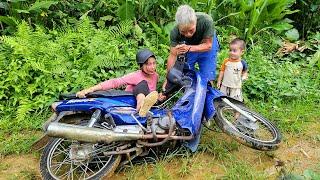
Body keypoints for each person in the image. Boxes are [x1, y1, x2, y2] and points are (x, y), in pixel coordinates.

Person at [160, 4, 219, 99]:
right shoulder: (175, 32)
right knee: (186, 73)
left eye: (191, 30)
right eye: (183, 32)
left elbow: (208, 46)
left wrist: (189, 48)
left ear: (196, 21)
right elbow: (173, 55)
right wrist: (168, 79)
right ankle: (190, 98)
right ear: (178, 26)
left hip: (206, 46)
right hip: (187, 47)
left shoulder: (206, 21)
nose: (188, 34)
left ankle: (208, 99)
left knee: (208, 76)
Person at [76, 49, 159, 117]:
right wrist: (89, 89)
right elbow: (114, 82)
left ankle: (144, 107)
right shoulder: (135, 76)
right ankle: (141, 106)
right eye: (148, 64)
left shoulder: (155, 76)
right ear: (141, 66)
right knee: (142, 84)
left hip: (147, 105)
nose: (152, 67)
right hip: (129, 103)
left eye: (154, 63)